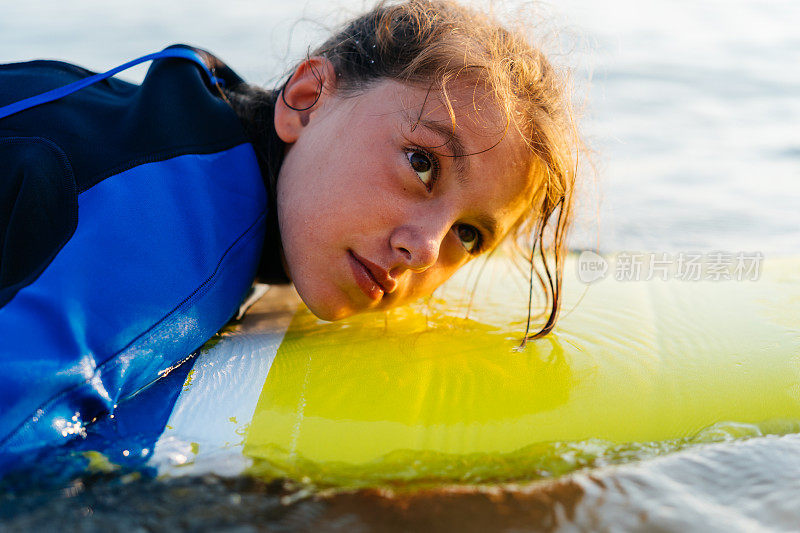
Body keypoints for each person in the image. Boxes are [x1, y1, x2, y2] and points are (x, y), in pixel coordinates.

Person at [0, 0, 580, 461]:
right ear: (307, 100)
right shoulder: (184, 238)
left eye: (471, 234)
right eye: (421, 163)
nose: (425, 249)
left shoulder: (183, 123)